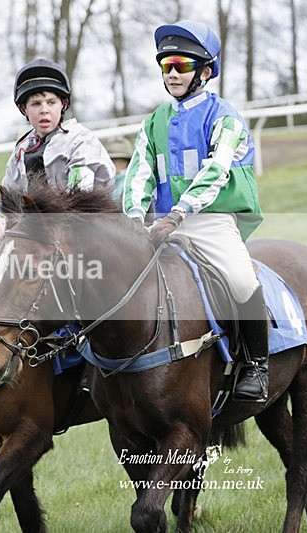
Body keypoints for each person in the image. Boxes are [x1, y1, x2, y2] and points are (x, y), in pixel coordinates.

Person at [121, 20, 268, 402]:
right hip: (161, 225)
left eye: (181, 65)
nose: (171, 73)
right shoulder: (153, 121)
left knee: (240, 279)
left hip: (210, 221)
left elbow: (215, 171)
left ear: (205, 71)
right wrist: (136, 218)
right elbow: (139, 172)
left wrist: (178, 214)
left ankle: (256, 365)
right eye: (166, 65)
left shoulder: (224, 117)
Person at [0, 58, 115, 241]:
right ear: (23, 108)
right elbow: (7, 196)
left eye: (51, 102)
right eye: (36, 104)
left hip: (88, 230)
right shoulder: (21, 150)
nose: (44, 110)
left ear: (63, 104)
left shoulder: (80, 141)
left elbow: (79, 197)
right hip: (42, 233)